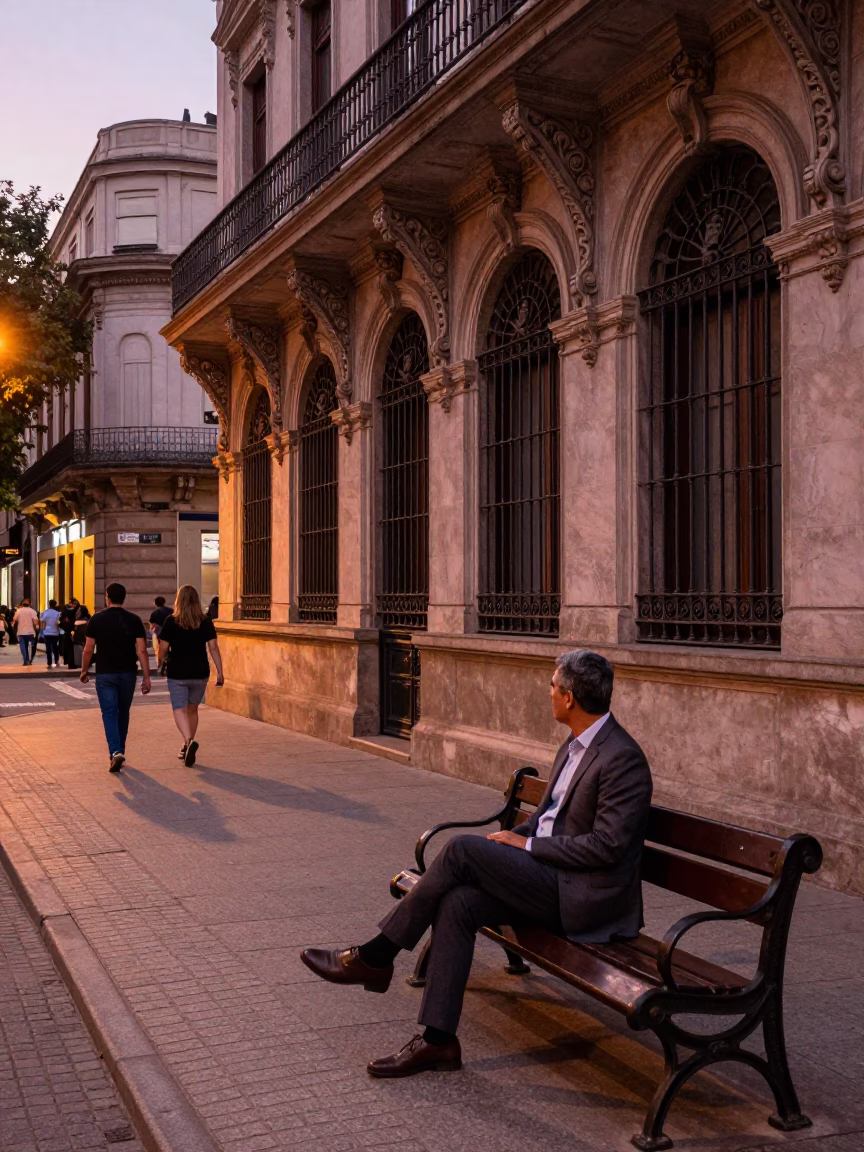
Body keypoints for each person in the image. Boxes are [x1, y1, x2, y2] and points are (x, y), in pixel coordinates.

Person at [300, 649, 653, 1078]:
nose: (550, 693)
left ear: (570, 698)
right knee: (460, 902)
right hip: (548, 879)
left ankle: (376, 955)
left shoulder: (622, 758)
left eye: (553, 687)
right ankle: (438, 1042)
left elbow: (607, 847)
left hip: (583, 898)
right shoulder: (575, 744)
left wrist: (522, 850)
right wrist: (514, 842)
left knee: (462, 851)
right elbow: (546, 821)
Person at [80, 583, 151, 772]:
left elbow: (88, 649)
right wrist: (146, 677)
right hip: (128, 673)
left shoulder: (96, 620)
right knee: (123, 712)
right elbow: (142, 650)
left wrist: (84, 670)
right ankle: (120, 750)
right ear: (124, 598)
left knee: (109, 713)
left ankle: (115, 751)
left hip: (105, 674)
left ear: (107, 597)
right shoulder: (134, 620)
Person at [157, 585, 223, 767]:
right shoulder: (206, 621)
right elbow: (213, 648)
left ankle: (188, 741)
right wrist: (220, 672)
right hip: (200, 672)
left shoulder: (171, 621)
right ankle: (187, 746)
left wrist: (160, 662)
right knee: (193, 710)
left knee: (179, 709)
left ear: (179, 600)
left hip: (178, 672)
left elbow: (163, 647)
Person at [12, 599, 40, 665]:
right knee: (30, 646)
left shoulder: (18, 611)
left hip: (21, 631)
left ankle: (25, 659)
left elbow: (14, 619)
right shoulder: (32, 611)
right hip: (30, 631)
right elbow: (36, 621)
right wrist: (37, 628)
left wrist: (13, 626)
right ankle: (29, 659)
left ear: (22, 604)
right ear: (29, 604)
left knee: (23, 646)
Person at [40, 599, 62, 667]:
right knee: (55, 647)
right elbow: (58, 623)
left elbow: (42, 621)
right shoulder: (57, 613)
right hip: (55, 632)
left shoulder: (45, 612)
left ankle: (49, 662)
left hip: (47, 632)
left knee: (48, 647)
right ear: (55, 605)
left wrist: (42, 630)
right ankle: (56, 660)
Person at [59, 598, 80, 668]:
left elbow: (60, 621)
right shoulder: (74, 611)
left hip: (66, 632)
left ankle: (69, 662)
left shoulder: (65, 611)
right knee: (72, 649)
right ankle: (72, 663)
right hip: (72, 631)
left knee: (68, 648)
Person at [73, 605, 91, 669]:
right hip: (87, 637)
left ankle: (80, 663)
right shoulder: (89, 618)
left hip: (79, 638)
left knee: (79, 652)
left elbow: (76, 625)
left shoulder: (79, 620)